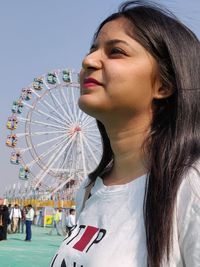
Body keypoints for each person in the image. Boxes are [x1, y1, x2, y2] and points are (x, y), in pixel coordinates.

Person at [50, 1, 200, 267]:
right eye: (92, 49)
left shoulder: (190, 185)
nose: (88, 61)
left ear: (164, 85)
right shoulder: (89, 189)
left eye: (116, 51)